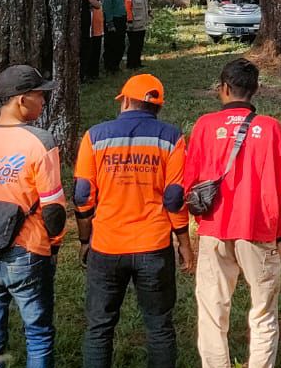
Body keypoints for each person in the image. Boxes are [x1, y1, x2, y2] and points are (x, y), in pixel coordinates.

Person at [74, 73, 192, 368]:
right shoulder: (172, 137)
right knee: (159, 326)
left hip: (106, 245)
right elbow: (175, 198)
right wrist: (185, 244)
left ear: (125, 100)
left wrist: (85, 239)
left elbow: (82, 195)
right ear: (158, 107)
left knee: (99, 327)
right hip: (153, 246)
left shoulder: (94, 136)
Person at [182, 58, 281, 368]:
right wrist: (279, 233)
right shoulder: (270, 128)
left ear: (224, 88)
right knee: (264, 309)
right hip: (259, 229)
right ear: (255, 90)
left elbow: (191, 182)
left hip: (214, 228)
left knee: (212, 310)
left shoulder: (204, 126)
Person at [0, 65, 66, 368]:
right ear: (21, 100)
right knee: (38, 333)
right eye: (39, 95)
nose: (44, 101)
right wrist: (53, 245)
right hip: (29, 251)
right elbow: (53, 208)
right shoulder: (40, 142)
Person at [101, 0, 129, 73]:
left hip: (121, 20)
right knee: (112, 44)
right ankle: (109, 67)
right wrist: (110, 23)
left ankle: (116, 65)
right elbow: (107, 8)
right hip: (113, 21)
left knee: (120, 44)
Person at [125, 0, 151, 70]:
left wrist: (149, 12)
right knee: (133, 45)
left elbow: (144, 5)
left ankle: (138, 62)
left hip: (142, 23)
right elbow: (128, 8)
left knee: (139, 45)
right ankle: (131, 64)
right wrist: (130, 21)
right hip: (134, 23)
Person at [81, 0, 105, 82]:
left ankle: (91, 74)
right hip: (83, 30)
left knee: (92, 52)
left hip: (93, 28)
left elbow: (97, 4)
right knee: (85, 53)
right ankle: (84, 75)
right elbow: (95, 4)